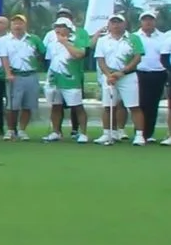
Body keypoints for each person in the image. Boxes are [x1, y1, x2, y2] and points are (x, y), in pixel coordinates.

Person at [94, 13, 145, 146]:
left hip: (128, 76)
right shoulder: (102, 40)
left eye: (119, 22)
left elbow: (137, 58)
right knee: (108, 106)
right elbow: (100, 60)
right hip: (109, 76)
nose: (116, 25)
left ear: (124, 24)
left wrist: (122, 72)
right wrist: (109, 75)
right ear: (109, 25)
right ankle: (107, 133)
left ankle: (139, 136)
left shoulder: (133, 38)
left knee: (133, 106)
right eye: (113, 22)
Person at [41, 15, 91, 142]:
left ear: (69, 29)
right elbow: (49, 59)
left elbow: (79, 55)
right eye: (57, 26)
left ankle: (83, 133)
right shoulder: (52, 43)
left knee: (77, 106)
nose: (58, 29)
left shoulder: (77, 40)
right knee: (56, 106)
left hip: (71, 78)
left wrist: (65, 42)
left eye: (62, 26)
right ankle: (56, 132)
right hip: (54, 78)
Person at [0, 14, 42, 141]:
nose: (18, 26)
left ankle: (22, 130)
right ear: (11, 25)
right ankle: (11, 130)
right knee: (12, 105)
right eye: (15, 23)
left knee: (28, 104)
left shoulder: (34, 39)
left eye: (20, 23)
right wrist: (8, 73)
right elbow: (4, 58)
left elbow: (42, 54)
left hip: (31, 74)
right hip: (15, 75)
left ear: (25, 25)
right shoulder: (4, 40)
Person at [130, 10, 167, 142]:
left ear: (154, 21)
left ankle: (149, 134)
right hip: (140, 73)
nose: (148, 22)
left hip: (158, 73)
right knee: (140, 103)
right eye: (145, 20)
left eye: (150, 19)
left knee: (153, 104)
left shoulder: (163, 37)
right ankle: (140, 133)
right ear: (141, 22)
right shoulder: (134, 37)